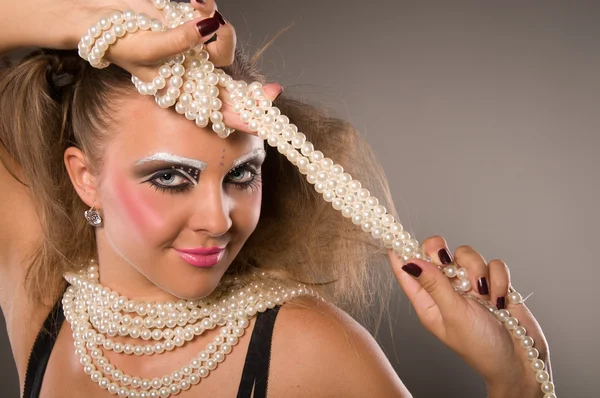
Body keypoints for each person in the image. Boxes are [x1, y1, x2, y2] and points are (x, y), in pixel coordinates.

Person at [0, 0, 553, 397]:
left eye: (242, 175)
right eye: (170, 178)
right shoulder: (42, 292)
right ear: (84, 177)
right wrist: (96, 22)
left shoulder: (310, 349)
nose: (218, 220)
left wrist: (515, 387)